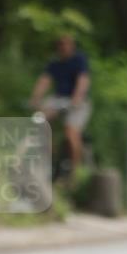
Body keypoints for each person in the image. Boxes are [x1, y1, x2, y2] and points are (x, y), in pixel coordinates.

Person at [29, 34, 92, 171]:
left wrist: (76, 98)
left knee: (71, 132)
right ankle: (49, 160)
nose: (63, 47)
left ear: (72, 46)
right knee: (41, 121)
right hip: (59, 99)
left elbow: (83, 80)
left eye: (66, 44)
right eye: (60, 44)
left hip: (77, 102)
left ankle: (74, 171)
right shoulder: (54, 63)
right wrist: (35, 98)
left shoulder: (79, 60)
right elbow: (44, 81)